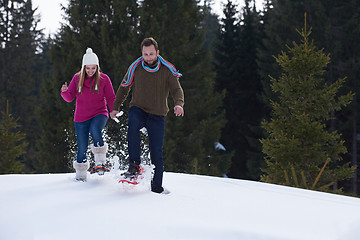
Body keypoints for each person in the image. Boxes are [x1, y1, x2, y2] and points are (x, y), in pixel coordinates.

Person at [110, 37, 184, 193]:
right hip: (139, 108)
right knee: (133, 123)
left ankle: (156, 187)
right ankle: (134, 166)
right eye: (145, 54)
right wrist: (116, 107)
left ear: (157, 52)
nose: (148, 57)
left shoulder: (166, 69)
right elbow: (124, 88)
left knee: (156, 152)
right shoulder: (135, 67)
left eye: (151, 54)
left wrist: (178, 103)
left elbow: (176, 90)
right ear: (141, 54)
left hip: (157, 115)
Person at [61, 48, 116, 181]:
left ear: (97, 67)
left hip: (100, 113)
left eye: (93, 68)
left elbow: (111, 97)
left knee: (95, 129)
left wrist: (114, 110)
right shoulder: (77, 78)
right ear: (83, 67)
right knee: (82, 147)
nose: (90, 71)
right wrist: (64, 92)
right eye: (88, 68)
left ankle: (100, 162)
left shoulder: (104, 79)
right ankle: (80, 176)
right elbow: (69, 98)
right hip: (81, 118)